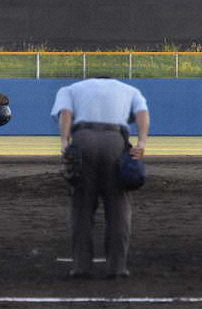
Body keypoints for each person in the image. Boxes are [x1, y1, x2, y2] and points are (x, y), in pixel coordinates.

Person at [51, 77, 150, 279]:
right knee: (118, 207)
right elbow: (142, 113)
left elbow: (66, 113)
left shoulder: (70, 89)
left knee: (81, 208)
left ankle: (81, 267)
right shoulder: (129, 89)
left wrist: (64, 141)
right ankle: (117, 268)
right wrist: (141, 143)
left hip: (83, 139)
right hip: (115, 141)